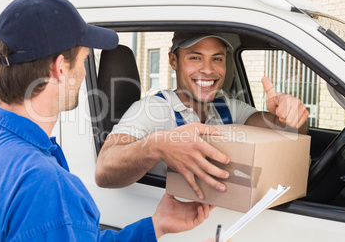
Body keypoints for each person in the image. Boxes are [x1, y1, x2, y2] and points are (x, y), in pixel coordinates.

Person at [0, 0, 216, 241]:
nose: (84, 73)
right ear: (60, 68)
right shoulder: (45, 186)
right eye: (84, 60)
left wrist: (155, 225)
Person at [96, 32, 309, 200]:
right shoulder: (153, 109)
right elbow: (104, 169)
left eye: (217, 59)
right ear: (173, 61)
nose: (208, 70)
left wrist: (289, 116)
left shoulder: (228, 108)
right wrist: (159, 145)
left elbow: (284, 132)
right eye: (195, 57)